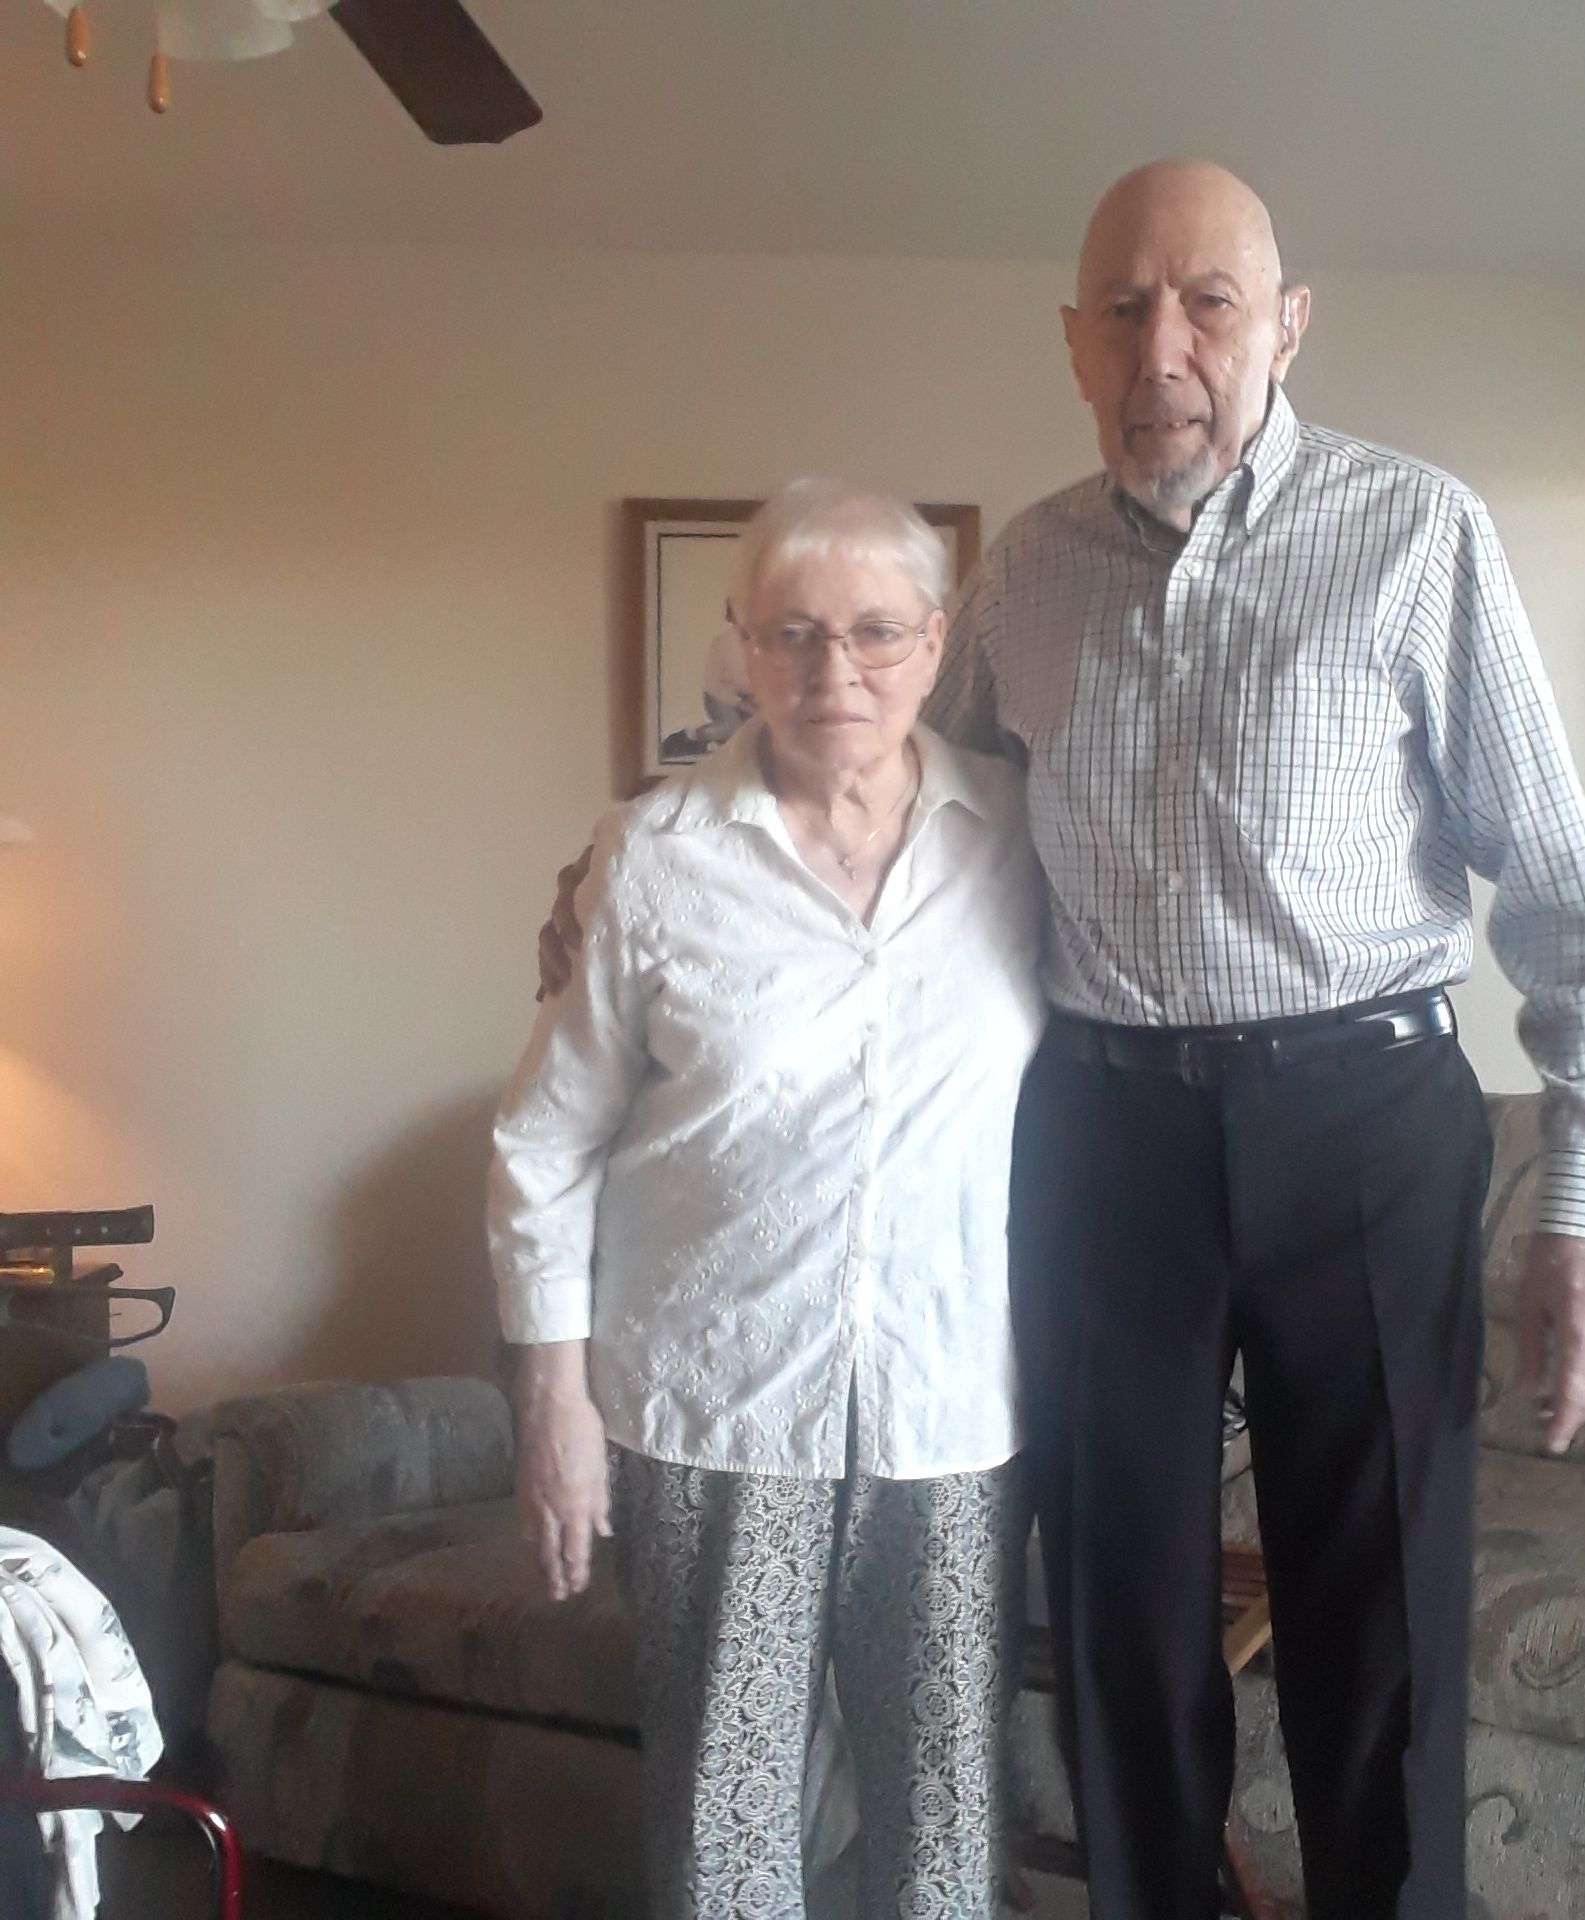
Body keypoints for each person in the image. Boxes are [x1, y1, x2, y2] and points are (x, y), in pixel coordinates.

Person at [540, 162, 1585, 1920]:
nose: (1167, 348)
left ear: (1288, 327)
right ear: (1074, 344)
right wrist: (635, 855)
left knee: (1380, 1644)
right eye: (1126, 310)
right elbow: (885, 786)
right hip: (1105, 1136)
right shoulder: (1024, 579)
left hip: (1364, 1118)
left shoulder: (1418, 533)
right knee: (1124, 1638)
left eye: (1210, 302)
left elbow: (1572, 912)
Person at [492, 478, 1046, 1920]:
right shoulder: (654, 858)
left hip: (954, 1409)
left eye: (873, 631)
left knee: (943, 1819)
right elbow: (542, 1147)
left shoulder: (1024, 841)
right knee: (725, 1825)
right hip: (713, 1408)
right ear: (740, 644)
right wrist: (554, 1406)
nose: (833, 671)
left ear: (936, 644)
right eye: (792, 633)